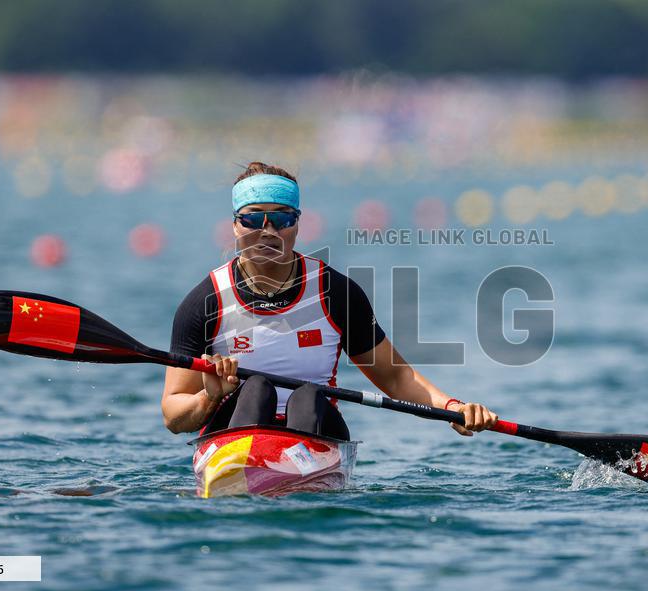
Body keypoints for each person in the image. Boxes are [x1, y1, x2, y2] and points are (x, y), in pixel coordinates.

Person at [161, 161, 498, 440]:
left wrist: (453, 408)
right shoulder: (205, 302)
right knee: (255, 389)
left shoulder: (336, 293)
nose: (268, 231)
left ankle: (297, 476)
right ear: (235, 225)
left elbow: (397, 379)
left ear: (297, 224)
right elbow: (173, 417)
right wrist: (209, 397)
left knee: (308, 395)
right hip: (233, 432)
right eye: (252, 219)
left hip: (315, 428)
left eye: (282, 219)